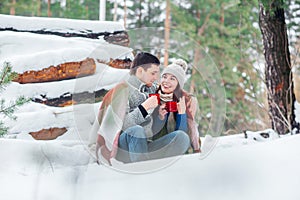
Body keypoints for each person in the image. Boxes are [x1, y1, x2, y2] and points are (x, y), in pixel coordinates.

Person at [90, 52, 189, 165]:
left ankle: (162, 169)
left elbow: (171, 90)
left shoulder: (152, 90)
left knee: (182, 138)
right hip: (123, 147)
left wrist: (164, 115)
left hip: (146, 146)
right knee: (137, 131)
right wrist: (144, 108)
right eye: (153, 73)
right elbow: (123, 124)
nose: (156, 78)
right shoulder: (123, 90)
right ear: (140, 71)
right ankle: (142, 171)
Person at [152, 59, 201, 153]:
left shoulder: (187, 101)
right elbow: (152, 134)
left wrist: (181, 114)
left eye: (172, 79)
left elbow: (182, 137)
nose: (166, 81)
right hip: (157, 146)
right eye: (164, 77)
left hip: (176, 148)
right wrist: (160, 117)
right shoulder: (153, 96)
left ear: (179, 84)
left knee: (182, 137)